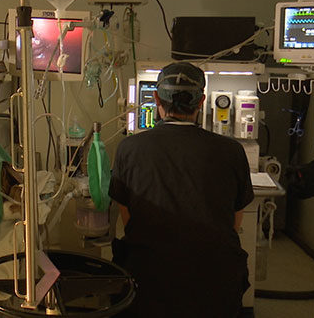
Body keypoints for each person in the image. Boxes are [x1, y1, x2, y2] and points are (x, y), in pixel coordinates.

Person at [109, 62, 254, 317]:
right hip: (215, 284)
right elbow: (234, 221)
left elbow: (128, 219)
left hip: (148, 282)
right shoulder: (231, 151)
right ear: (202, 102)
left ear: (156, 99)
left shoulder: (129, 149)